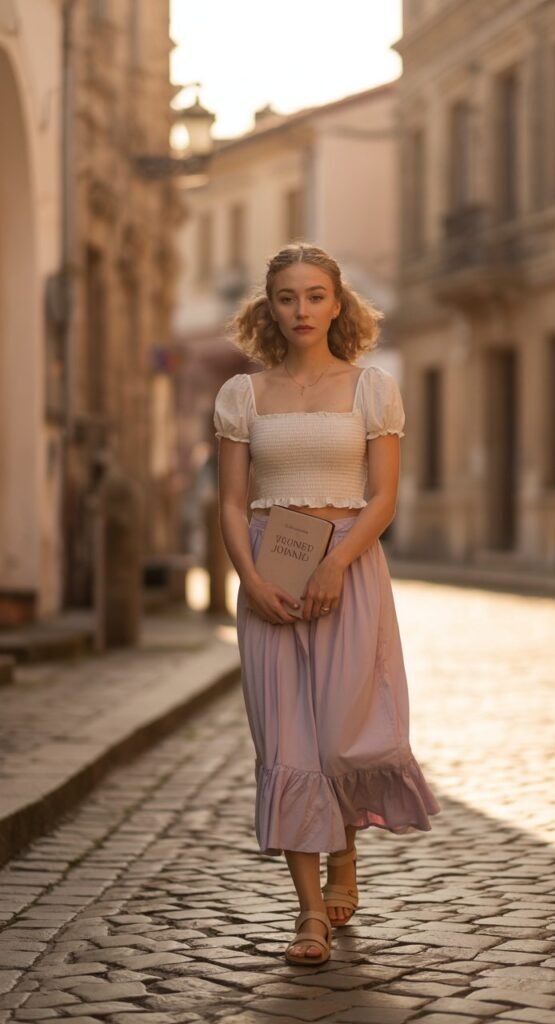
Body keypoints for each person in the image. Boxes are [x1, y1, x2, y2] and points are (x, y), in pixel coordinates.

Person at [214, 243, 440, 966]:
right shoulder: (242, 396)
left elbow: (384, 498)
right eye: (286, 297)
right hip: (271, 567)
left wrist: (338, 560)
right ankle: (309, 913)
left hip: (350, 569)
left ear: (337, 303)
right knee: (287, 744)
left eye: (315, 296)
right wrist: (249, 580)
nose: (301, 310)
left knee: (343, 738)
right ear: (268, 308)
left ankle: (344, 851)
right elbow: (228, 500)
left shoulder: (371, 389)